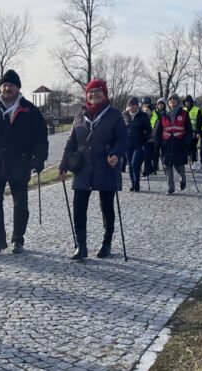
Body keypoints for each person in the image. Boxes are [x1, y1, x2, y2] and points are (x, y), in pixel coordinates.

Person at [0, 70, 48, 255]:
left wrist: (39, 158)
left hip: (20, 163)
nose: (7, 88)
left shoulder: (29, 110)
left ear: (17, 88)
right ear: (0, 88)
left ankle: (17, 240)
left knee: (20, 204)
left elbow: (40, 136)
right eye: (4, 85)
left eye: (11, 85)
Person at [59, 79, 127, 261]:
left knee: (107, 206)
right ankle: (81, 245)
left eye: (98, 91)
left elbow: (123, 139)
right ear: (86, 94)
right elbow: (71, 142)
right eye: (91, 92)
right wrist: (64, 164)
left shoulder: (114, 115)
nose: (94, 95)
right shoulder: (79, 115)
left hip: (106, 165)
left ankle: (106, 242)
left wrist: (116, 153)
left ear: (105, 94)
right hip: (82, 167)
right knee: (79, 206)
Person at [153, 93, 193, 195]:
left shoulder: (184, 114)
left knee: (179, 166)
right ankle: (170, 187)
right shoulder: (163, 115)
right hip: (166, 144)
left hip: (179, 143)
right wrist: (157, 144)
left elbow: (189, 130)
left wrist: (187, 141)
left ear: (178, 102)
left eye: (174, 100)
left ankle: (183, 178)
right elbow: (158, 131)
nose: (172, 102)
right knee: (167, 166)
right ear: (168, 103)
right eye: (170, 100)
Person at [122, 96, 152, 192]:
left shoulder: (143, 116)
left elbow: (148, 130)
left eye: (134, 105)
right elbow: (121, 129)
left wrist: (145, 139)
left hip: (139, 144)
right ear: (128, 106)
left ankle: (137, 182)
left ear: (137, 105)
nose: (132, 107)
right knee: (130, 165)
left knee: (135, 163)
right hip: (128, 144)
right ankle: (132, 183)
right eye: (130, 105)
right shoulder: (125, 116)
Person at [183, 95, 201, 169]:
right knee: (187, 146)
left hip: (194, 131)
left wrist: (197, 132)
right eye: (186, 102)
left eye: (189, 102)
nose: (187, 103)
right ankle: (190, 159)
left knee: (193, 147)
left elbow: (199, 122)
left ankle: (195, 161)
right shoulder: (183, 110)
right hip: (186, 132)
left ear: (191, 102)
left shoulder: (197, 110)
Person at [141, 96, 157, 177]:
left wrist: (148, 136)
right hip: (142, 140)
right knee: (145, 156)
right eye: (144, 107)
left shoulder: (155, 117)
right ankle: (151, 169)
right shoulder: (141, 117)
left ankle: (146, 171)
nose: (146, 110)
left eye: (147, 109)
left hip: (151, 140)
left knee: (147, 156)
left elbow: (155, 130)